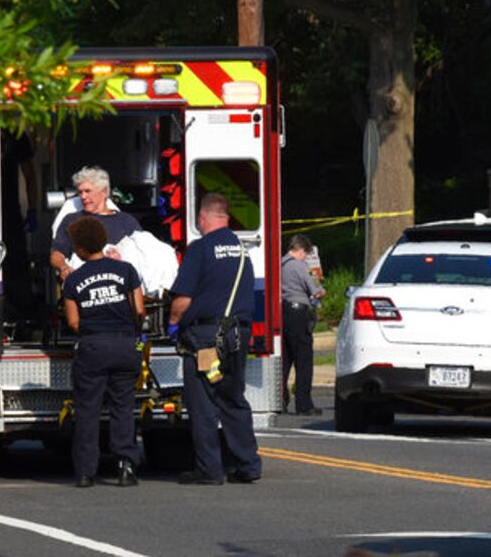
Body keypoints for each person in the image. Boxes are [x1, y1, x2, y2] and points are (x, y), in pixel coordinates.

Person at [167, 192, 262, 485]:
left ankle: (209, 470)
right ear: (227, 217)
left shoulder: (201, 249)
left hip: (206, 340)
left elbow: (183, 298)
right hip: (237, 335)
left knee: (204, 401)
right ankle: (248, 464)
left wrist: (173, 323)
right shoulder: (243, 250)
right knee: (232, 398)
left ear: (202, 217)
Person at [62, 216, 145, 488]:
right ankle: (126, 467)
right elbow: (140, 309)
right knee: (123, 407)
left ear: (81, 249)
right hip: (123, 345)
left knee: (88, 410)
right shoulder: (126, 271)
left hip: (93, 347)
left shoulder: (74, 281)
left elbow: (73, 322)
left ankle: (86, 472)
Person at [51, 166, 141, 282]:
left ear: (104, 192)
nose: (83, 196)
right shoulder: (72, 220)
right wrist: (64, 267)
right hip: (83, 285)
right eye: (80, 192)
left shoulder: (126, 221)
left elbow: (143, 253)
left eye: (87, 191)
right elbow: (57, 253)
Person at [281, 234, 326, 416]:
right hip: (299, 313)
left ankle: (280, 400)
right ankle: (304, 404)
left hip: (283, 312)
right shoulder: (299, 266)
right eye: (305, 254)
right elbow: (314, 291)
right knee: (304, 360)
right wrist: (321, 290)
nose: (306, 257)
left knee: (285, 359)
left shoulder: (279, 264)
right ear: (300, 250)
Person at [0, 130, 38, 325]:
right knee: (15, 262)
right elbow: (29, 174)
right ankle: (21, 313)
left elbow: (29, 174)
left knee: (15, 263)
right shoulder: (15, 134)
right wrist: (32, 208)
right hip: (4, 210)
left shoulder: (15, 135)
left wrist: (32, 208)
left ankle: (20, 312)